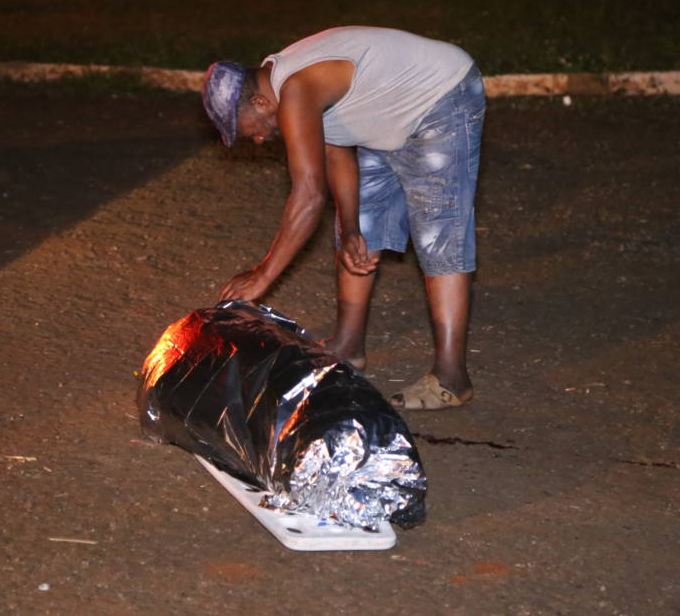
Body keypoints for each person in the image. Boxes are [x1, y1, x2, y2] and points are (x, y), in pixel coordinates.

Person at [202, 26, 485, 410]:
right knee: (359, 230)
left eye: (247, 129)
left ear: (260, 101)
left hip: (442, 95)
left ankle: (452, 378)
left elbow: (309, 195)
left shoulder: (296, 88)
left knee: (439, 232)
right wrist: (352, 227)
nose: (257, 139)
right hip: (389, 111)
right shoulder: (291, 84)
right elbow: (336, 154)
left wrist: (263, 275)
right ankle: (348, 348)